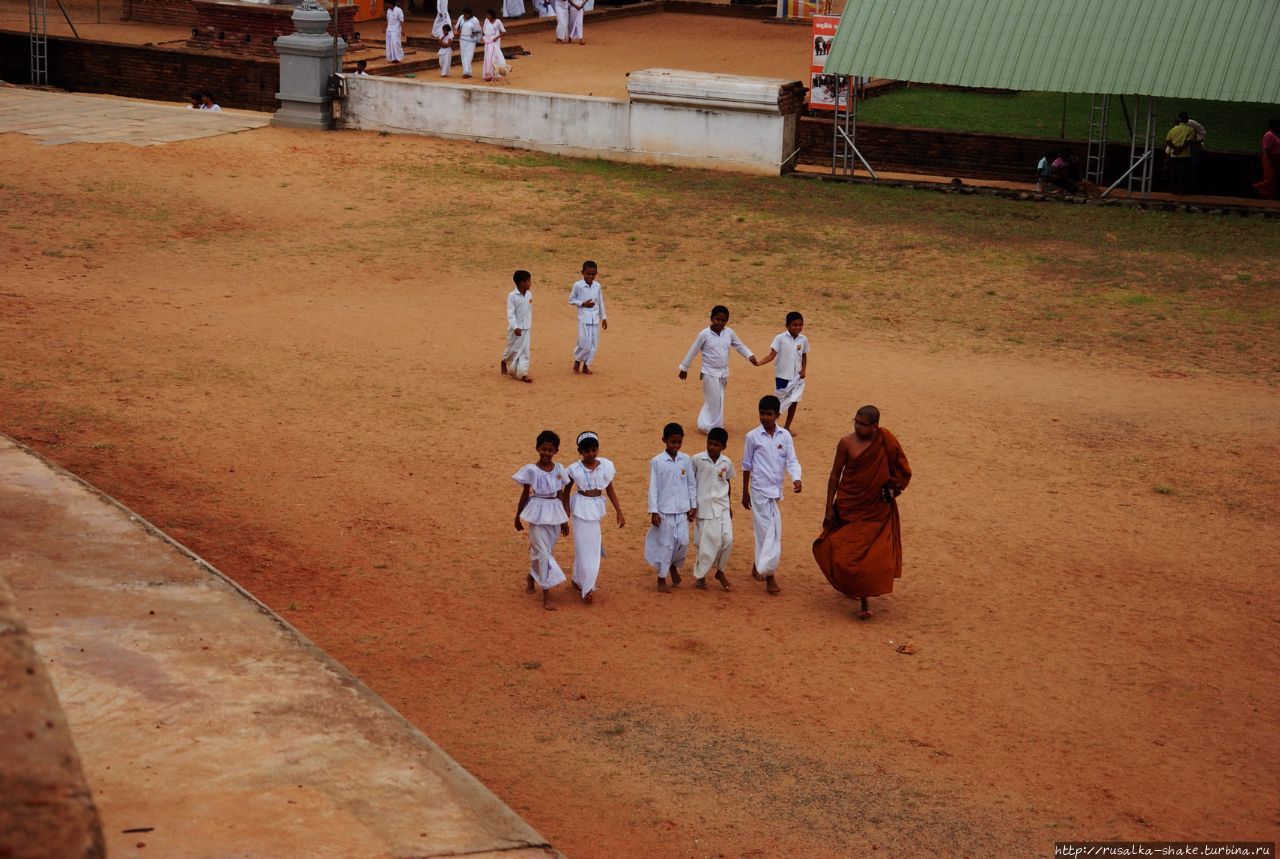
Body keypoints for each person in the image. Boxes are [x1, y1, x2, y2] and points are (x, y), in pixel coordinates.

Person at [813, 405, 912, 620]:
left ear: (875, 426)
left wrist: (893, 489)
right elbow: (834, 475)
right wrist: (828, 507)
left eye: (862, 424)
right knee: (843, 549)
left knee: (870, 556)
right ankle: (853, 587)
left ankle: (864, 599)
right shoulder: (846, 443)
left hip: (876, 510)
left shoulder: (886, 441)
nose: (857, 426)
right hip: (849, 506)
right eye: (855, 422)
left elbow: (903, 471)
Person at [741, 395, 800, 595]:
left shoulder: (785, 436)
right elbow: (746, 465)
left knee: (767, 530)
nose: (765, 418)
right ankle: (770, 576)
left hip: (775, 492)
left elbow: (792, 460)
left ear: (777, 415)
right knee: (768, 532)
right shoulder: (752, 437)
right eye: (762, 414)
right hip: (758, 490)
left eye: (769, 414)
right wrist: (744, 493)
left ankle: (758, 564)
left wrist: (796, 478)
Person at [513, 430, 571, 611]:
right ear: (537, 448)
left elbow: (561, 494)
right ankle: (547, 593)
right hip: (536, 513)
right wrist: (517, 516)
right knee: (544, 554)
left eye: (550, 450)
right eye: (543, 449)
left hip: (554, 514)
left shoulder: (560, 469)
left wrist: (564, 520)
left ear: (556, 451)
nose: (546, 453)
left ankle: (532, 576)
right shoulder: (531, 470)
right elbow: (525, 494)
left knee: (545, 552)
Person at [678, 305, 757, 434]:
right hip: (709, 372)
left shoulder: (729, 333)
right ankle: (707, 426)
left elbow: (739, 346)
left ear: (727, 320)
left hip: (723, 373)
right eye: (717, 319)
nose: (720, 323)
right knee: (713, 400)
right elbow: (693, 351)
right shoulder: (704, 334)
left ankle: (713, 424)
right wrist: (684, 368)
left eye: (723, 320)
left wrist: (749, 355)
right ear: (711, 318)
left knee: (719, 399)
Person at [565, 432, 623, 603]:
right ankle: (587, 587)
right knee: (585, 549)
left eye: (594, 450)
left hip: (595, 509)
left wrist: (619, 511)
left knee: (591, 547)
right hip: (580, 509)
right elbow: (565, 492)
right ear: (580, 451)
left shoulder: (605, 465)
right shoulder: (573, 469)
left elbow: (610, 489)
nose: (591, 454)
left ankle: (577, 579)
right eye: (586, 451)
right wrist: (564, 517)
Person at [645, 422, 697, 593]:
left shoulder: (686, 460)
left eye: (678, 442)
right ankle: (661, 578)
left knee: (683, 542)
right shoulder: (657, 462)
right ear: (664, 440)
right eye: (672, 442)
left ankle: (673, 566)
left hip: (682, 509)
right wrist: (653, 511)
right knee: (667, 544)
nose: (675, 445)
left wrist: (693, 506)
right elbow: (653, 487)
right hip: (665, 510)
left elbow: (691, 484)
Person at [691, 427, 734, 591]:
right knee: (705, 541)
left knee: (728, 539)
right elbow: (691, 483)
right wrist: (692, 505)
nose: (712, 447)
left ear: (723, 447)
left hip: (722, 506)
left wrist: (729, 505)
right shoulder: (697, 460)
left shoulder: (726, 462)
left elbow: (728, 483)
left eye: (716, 445)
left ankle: (720, 571)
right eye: (709, 443)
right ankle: (700, 576)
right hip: (704, 507)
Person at [755, 311, 809, 434]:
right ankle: (770, 426)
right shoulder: (780, 338)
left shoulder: (803, 339)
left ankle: (787, 427)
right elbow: (772, 355)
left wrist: (804, 370)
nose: (798, 327)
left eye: (800, 325)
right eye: (795, 325)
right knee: (778, 403)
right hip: (782, 376)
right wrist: (759, 363)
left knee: (794, 401)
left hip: (797, 377)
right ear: (787, 326)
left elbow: (804, 356)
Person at [568, 260, 607, 374]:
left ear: (596, 274)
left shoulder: (597, 286)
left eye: (593, 274)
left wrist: (603, 318)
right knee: (583, 342)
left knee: (593, 344)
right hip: (583, 319)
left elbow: (600, 302)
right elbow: (571, 300)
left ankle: (586, 365)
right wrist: (583, 304)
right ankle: (577, 362)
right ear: (582, 273)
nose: (590, 276)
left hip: (595, 319)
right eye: (588, 274)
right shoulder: (578, 285)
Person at [501, 269, 534, 383]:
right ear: (521, 283)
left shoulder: (529, 294)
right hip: (515, 329)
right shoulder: (512, 296)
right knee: (512, 349)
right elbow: (510, 314)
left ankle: (523, 373)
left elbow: (528, 311)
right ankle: (504, 360)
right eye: (528, 281)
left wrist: (528, 324)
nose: (530, 283)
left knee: (525, 351)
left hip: (526, 328)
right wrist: (515, 327)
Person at [1164, 114, 1195, 194]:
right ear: (1187, 119)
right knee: (1184, 173)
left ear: (1179, 119)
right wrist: (1180, 150)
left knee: (1174, 173)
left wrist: (1175, 149)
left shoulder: (1173, 130)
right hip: (1185, 155)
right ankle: (1183, 191)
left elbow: (1168, 141)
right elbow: (1188, 142)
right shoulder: (1190, 130)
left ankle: (1174, 190)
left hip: (1174, 155)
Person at [1253, 119, 1280, 200]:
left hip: (1274, 159)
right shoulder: (1269, 135)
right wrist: (1271, 161)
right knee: (1270, 179)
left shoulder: (1274, 135)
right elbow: (1267, 149)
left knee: (1273, 179)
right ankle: (1255, 188)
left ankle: (1269, 196)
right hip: (1270, 159)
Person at [455, 8, 482, 78]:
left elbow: (478, 30)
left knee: (469, 56)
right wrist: (457, 33)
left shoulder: (475, 20)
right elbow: (457, 27)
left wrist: (474, 33)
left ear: (469, 14)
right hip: (462, 39)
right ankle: (467, 72)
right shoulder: (461, 18)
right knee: (463, 55)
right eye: (464, 14)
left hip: (471, 40)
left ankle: (466, 72)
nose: (464, 16)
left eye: (466, 14)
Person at [1183, 112, 1206, 191]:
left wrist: (1199, 140)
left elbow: (1202, 130)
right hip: (1185, 146)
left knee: (1194, 165)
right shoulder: (1181, 125)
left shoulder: (1191, 122)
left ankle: (1193, 184)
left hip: (1194, 145)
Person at [481, 10, 507, 81]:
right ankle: (487, 73)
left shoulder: (498, 22)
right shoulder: (486, 21)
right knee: (486, 58)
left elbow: (504, 32)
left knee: (491, 58)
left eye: (488, 15)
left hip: (494, 42)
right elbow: (484, 31)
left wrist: (496, 37)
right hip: (487, 42)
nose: (487, 16)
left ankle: (491, 74)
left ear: (492, 15)